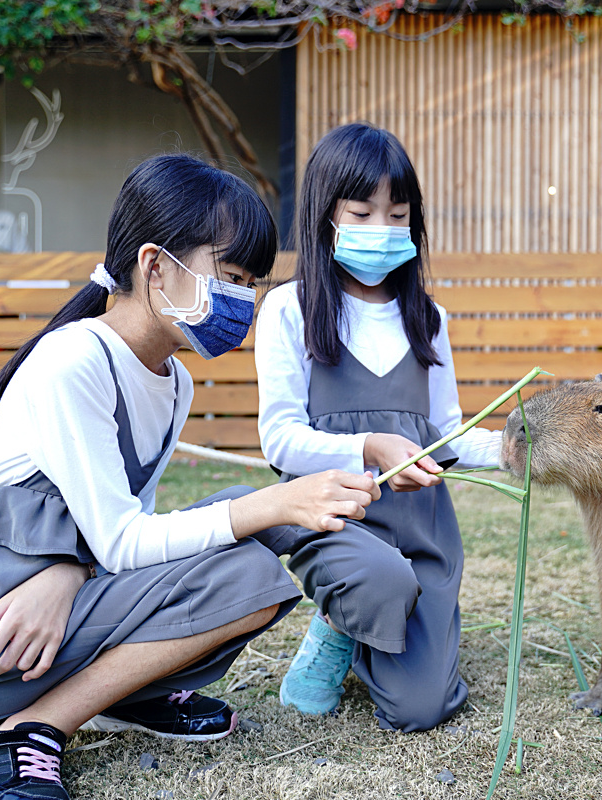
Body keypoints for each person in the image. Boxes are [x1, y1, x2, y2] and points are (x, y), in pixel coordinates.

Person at [0, 154, 380, 800]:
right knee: (249, 572)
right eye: (231, 274)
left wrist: (68, 571)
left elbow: (122, 533)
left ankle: (126, 694)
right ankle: (19, 735)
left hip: (59, 600)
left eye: (253, 281)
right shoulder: (76, 360)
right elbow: (121, 542)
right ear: (155, 265)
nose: (245, 300)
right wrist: (279, 501)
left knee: (240, 522)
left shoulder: (175, 383)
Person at [253, 122, 503, 732]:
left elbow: (447, 432)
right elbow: (279, 438)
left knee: (421, 709)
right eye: (362, 213)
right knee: (379, 579)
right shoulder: (293, 308)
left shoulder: (429, 318)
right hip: (337, 522)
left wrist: (516, 449)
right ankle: (344, 618)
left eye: (398, 216)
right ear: (325, 216)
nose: (382, 232)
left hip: (421, 534)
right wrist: (368, 445)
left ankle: (379, 621)